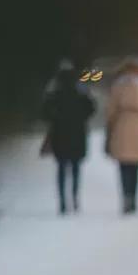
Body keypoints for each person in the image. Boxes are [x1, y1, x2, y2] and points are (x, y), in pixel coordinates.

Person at [42, 66, 95, 214]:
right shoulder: (81, 93)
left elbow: (45, 112)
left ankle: (62, 202)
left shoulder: (54, 94)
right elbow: (91, 109)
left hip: (59, 134)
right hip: (78, 134)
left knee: (61, 168)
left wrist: (55, 119)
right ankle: (75, 198)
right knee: (76, 168)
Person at [106, 59, 138, 214]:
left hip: (122, 127)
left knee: (123, 167)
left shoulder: (117, 88)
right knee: (136, 167)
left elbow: (110, 112)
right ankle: (134, 199)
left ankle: (126, 197)